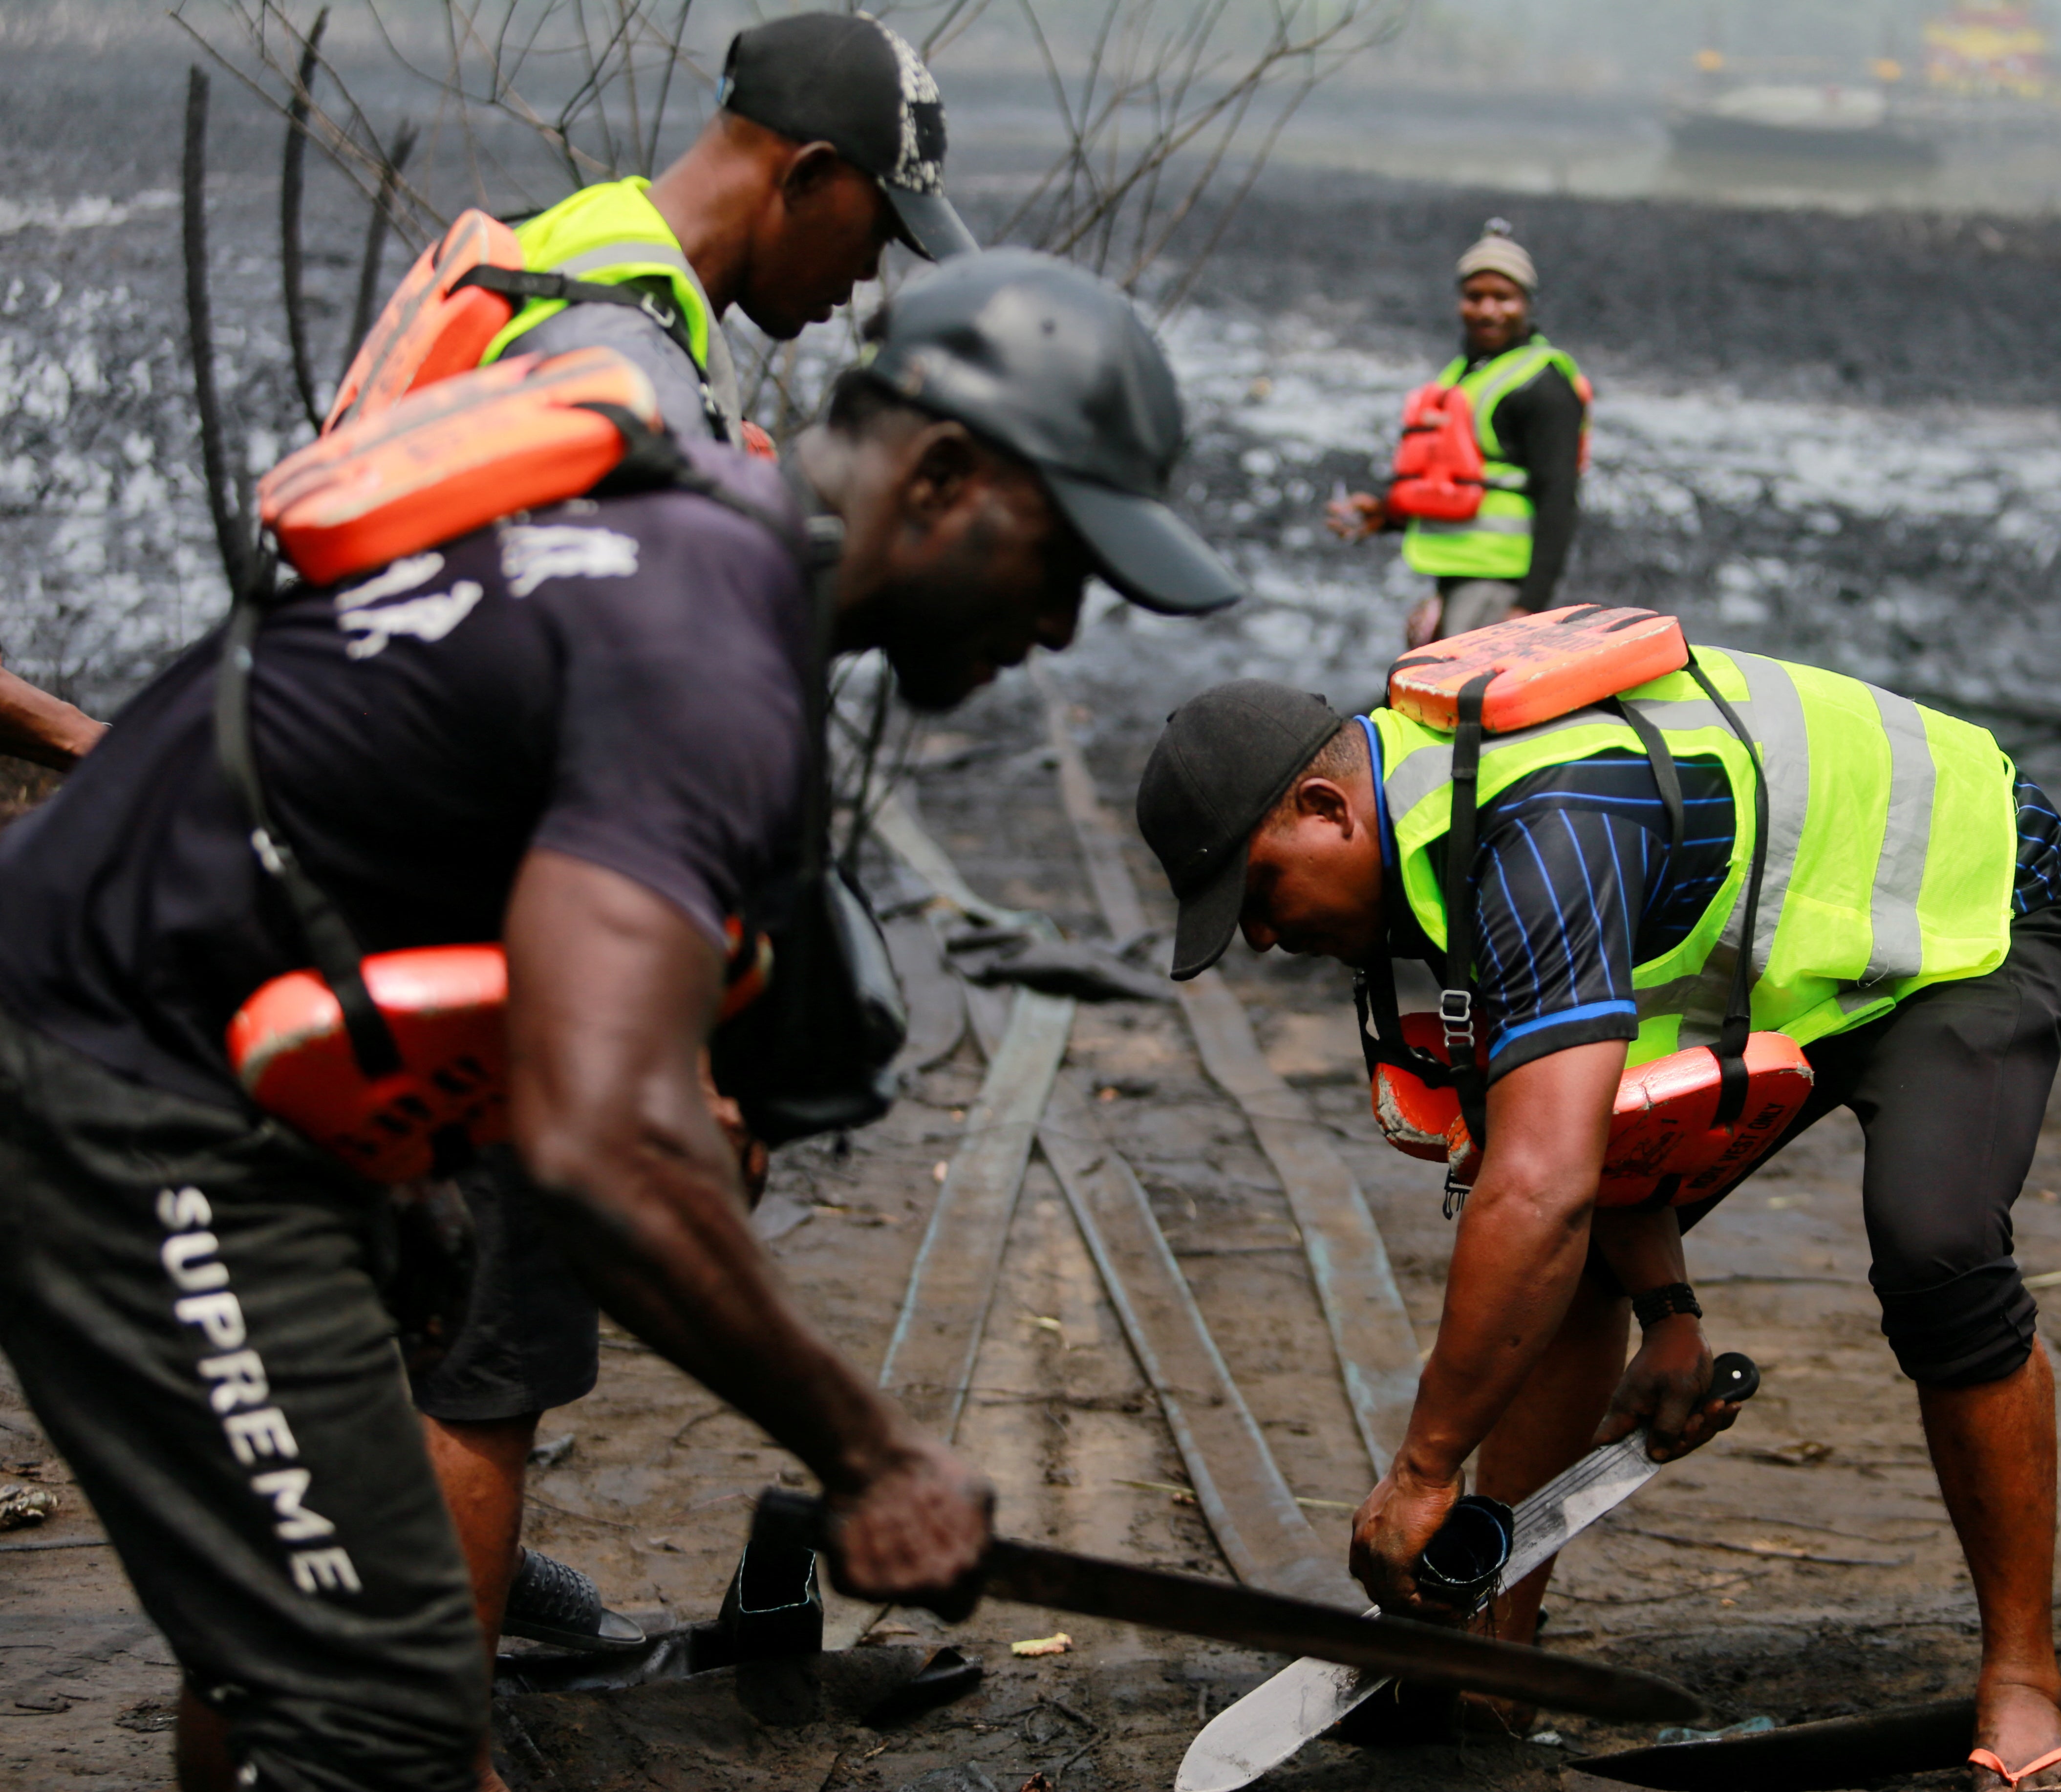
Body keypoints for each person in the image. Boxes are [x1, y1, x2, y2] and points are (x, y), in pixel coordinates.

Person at [0, 249, 1238, 1792]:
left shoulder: (683, 543)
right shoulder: (705, 639)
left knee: (319, 1652)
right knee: (374, 1703)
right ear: (943, 475)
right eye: (1064, 560)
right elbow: (602, 1143)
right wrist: (870, 1450)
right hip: (108, 1079)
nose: (1062, 626)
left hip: (222, 1070)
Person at [1134, 655, 2061, 1790]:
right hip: (1780, 955)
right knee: (1557, 1264)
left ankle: (2024, 1683)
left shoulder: (1536, 827)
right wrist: (1667, 1312)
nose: (1254, 937)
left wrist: (1423, 1467)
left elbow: (1539, 1187)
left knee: (1933, 1243)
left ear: (1324, 808)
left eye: (1254, 894)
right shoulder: (1439, 841)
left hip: (1958, 902)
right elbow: (1576, 1155)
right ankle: (1493, 1659)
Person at [372, 8, 977, 1662]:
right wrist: (677, 1042)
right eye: (873, 233)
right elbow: (608, 712)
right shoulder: (623, 357)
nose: (866, 283)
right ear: (812, 175)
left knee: (403, 1357)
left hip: (386, 882)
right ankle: (432, 1744)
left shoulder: (560, 270)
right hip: (478, 929)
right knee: (485, 1368)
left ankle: (394, 1689)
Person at [431, 12, 975, 446]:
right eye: (876, 233)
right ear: (808, 176)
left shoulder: (598, 229)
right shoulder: (625, 373)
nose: (868, 272)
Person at [1326, 219, 1589, 648]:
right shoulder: (1464, 375)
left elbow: (1559, 496)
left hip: (1499, 582)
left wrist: (1529, 604)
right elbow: (1457, 480)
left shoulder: (1543, 385)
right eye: (1474, 297)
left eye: (1503, 297)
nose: (1487, 310)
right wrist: (1387, 515)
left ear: (1527, 303)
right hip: (1454, 573)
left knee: (1463, 701)